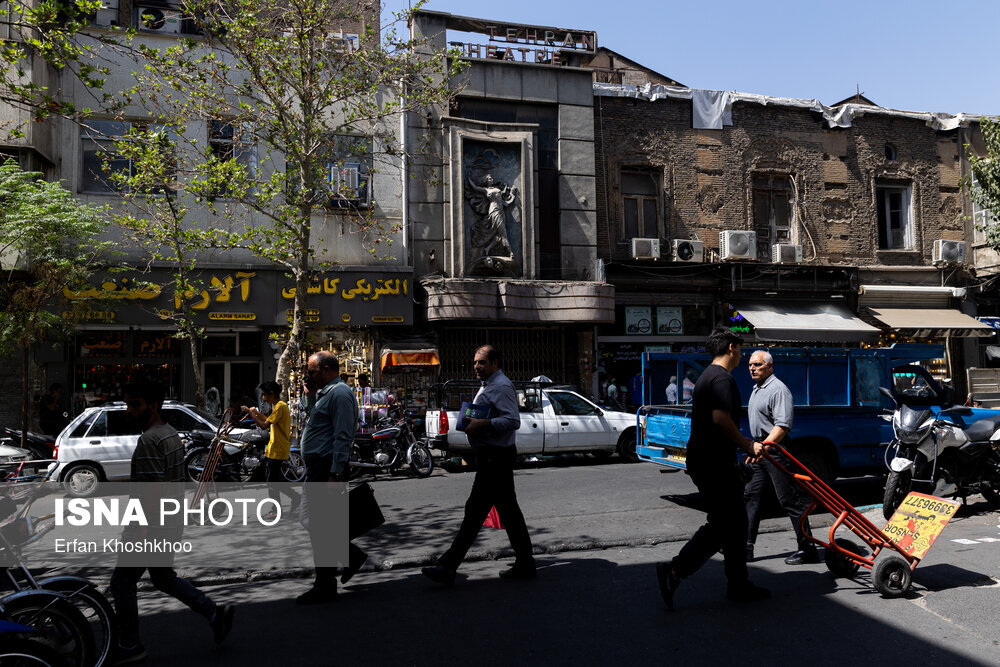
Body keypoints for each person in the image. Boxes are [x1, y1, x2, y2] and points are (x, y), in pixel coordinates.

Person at [110, 376, 234, 664]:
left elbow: (150, 493)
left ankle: (130, 645)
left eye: (135, 405)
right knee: (163, 577)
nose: (129, 410)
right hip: (170, 522)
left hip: (150, 526)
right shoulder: (170, 433)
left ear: (153, 406)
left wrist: (136, 531)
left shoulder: (150, 440)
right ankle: (214, 613)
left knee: (122, 584)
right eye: (128, 404)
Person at [654, 328, 768, 610]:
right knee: (725, 524)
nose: (742, 355)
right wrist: (747, 445)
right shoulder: (721, 379)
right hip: (712, 463)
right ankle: (675, 571)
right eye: (741, 350)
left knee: (735, 523)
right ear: (732, 348)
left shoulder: (707, 376)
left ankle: (737, 585)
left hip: (710, 461)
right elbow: (720, 420)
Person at [423, 345, 535, 584]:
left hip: (496, 457)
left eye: (482, 362)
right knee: (508, 511)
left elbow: (512, 420)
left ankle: (448, 566)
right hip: (492, 456)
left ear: (495, 363)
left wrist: (482, 425)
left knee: (475, 512)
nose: (476, 366)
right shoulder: (491, 385)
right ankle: (526, 562)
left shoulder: (501, 386)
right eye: (475, 362)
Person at [297, 351, 366, 604]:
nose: (308, 375)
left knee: (316, 522)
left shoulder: (340, 393)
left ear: (326, 369)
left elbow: (343, 435)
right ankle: (349, 556)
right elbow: (316, 422)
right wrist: (310, 397)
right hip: (318, 466)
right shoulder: (326, 393)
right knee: (311, 520)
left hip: (327, 467)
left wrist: (336, 472)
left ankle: (325, 583)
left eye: (312, 371)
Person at [743, 350, 818, 565]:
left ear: (769, 366)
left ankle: (808, 548)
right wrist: (754, 447)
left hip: (775, 450)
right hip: (760, 449)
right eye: (750, 365)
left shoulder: (778, 389)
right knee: (751, 495)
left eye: (757, 364)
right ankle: (746, 546)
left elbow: (782, 425)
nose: (752, 368)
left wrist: (764, 447)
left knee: (788, 500)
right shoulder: (757, 388)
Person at [242, 380, 300, 519]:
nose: (263, 398)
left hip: (278, 449)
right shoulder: (279, 406)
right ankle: (290, 500)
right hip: (276, 448)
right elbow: (269, 421)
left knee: (272, 480)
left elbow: (263, 425)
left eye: (264, 395)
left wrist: (252, 415)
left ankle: (279, 507)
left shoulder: (280, 406)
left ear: (271, 394)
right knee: (274, 479)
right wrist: (255, 412)